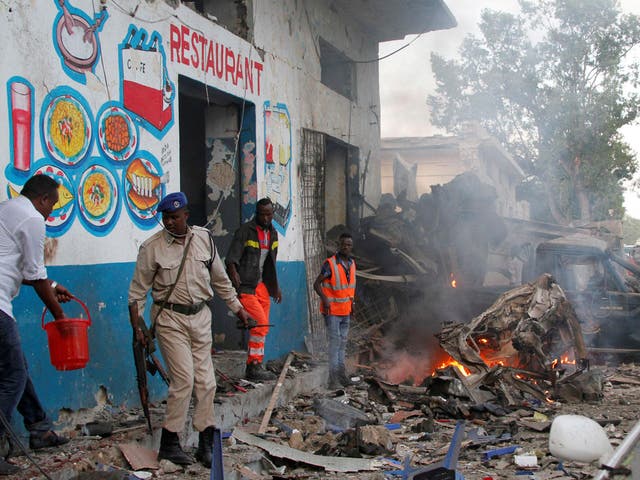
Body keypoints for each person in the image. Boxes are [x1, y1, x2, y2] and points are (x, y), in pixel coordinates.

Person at [128, 192, 250, 468]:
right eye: (165, 218)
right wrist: (137, 327)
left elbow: (220, 280)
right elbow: (136, 293)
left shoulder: (204, 240)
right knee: (183, 380)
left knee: (207, 382)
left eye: (174, 217)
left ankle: (205, 443)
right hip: (170, 319)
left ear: (186, 215)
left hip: (201, 318)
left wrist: (238, 307)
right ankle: (169, 444)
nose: (169, 223)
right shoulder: (152, 248)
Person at [0, 174, 73, 475]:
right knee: (14, 374)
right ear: (42, 199)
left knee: (16, 370)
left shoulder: (7, 208)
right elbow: (37, 274)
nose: (50, 213)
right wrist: (60, 317)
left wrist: (53, 284)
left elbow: (27, 272)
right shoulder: (32, 218)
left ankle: (40, 428)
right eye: (51, 206)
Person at [226, 198, 282, 382]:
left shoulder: (273, 234)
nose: (266, 218)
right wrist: (234, 275)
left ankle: (257, 362)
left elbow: (271, 263)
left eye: (269, 214)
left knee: (263, 327)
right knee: (259, 324)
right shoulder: (245, 231)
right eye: (262, 214)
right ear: (257, 214)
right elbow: (231, 259)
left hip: (261, 286)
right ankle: (253, 366)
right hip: (246, 286)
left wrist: (275, 287)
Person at [313, 232, 355, 390]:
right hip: (332, 312)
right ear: (339, 246)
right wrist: (325, 300)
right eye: (343, 244)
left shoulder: (351, 264)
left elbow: (349, 288)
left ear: (351, 247)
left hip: (346, 311)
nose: (346, 247)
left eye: (349, 245)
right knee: (335, 343)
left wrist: (353, 303)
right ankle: (333, 379)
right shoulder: (330, 264)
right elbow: (316, 285)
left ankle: (341, 375)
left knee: (343, 343)